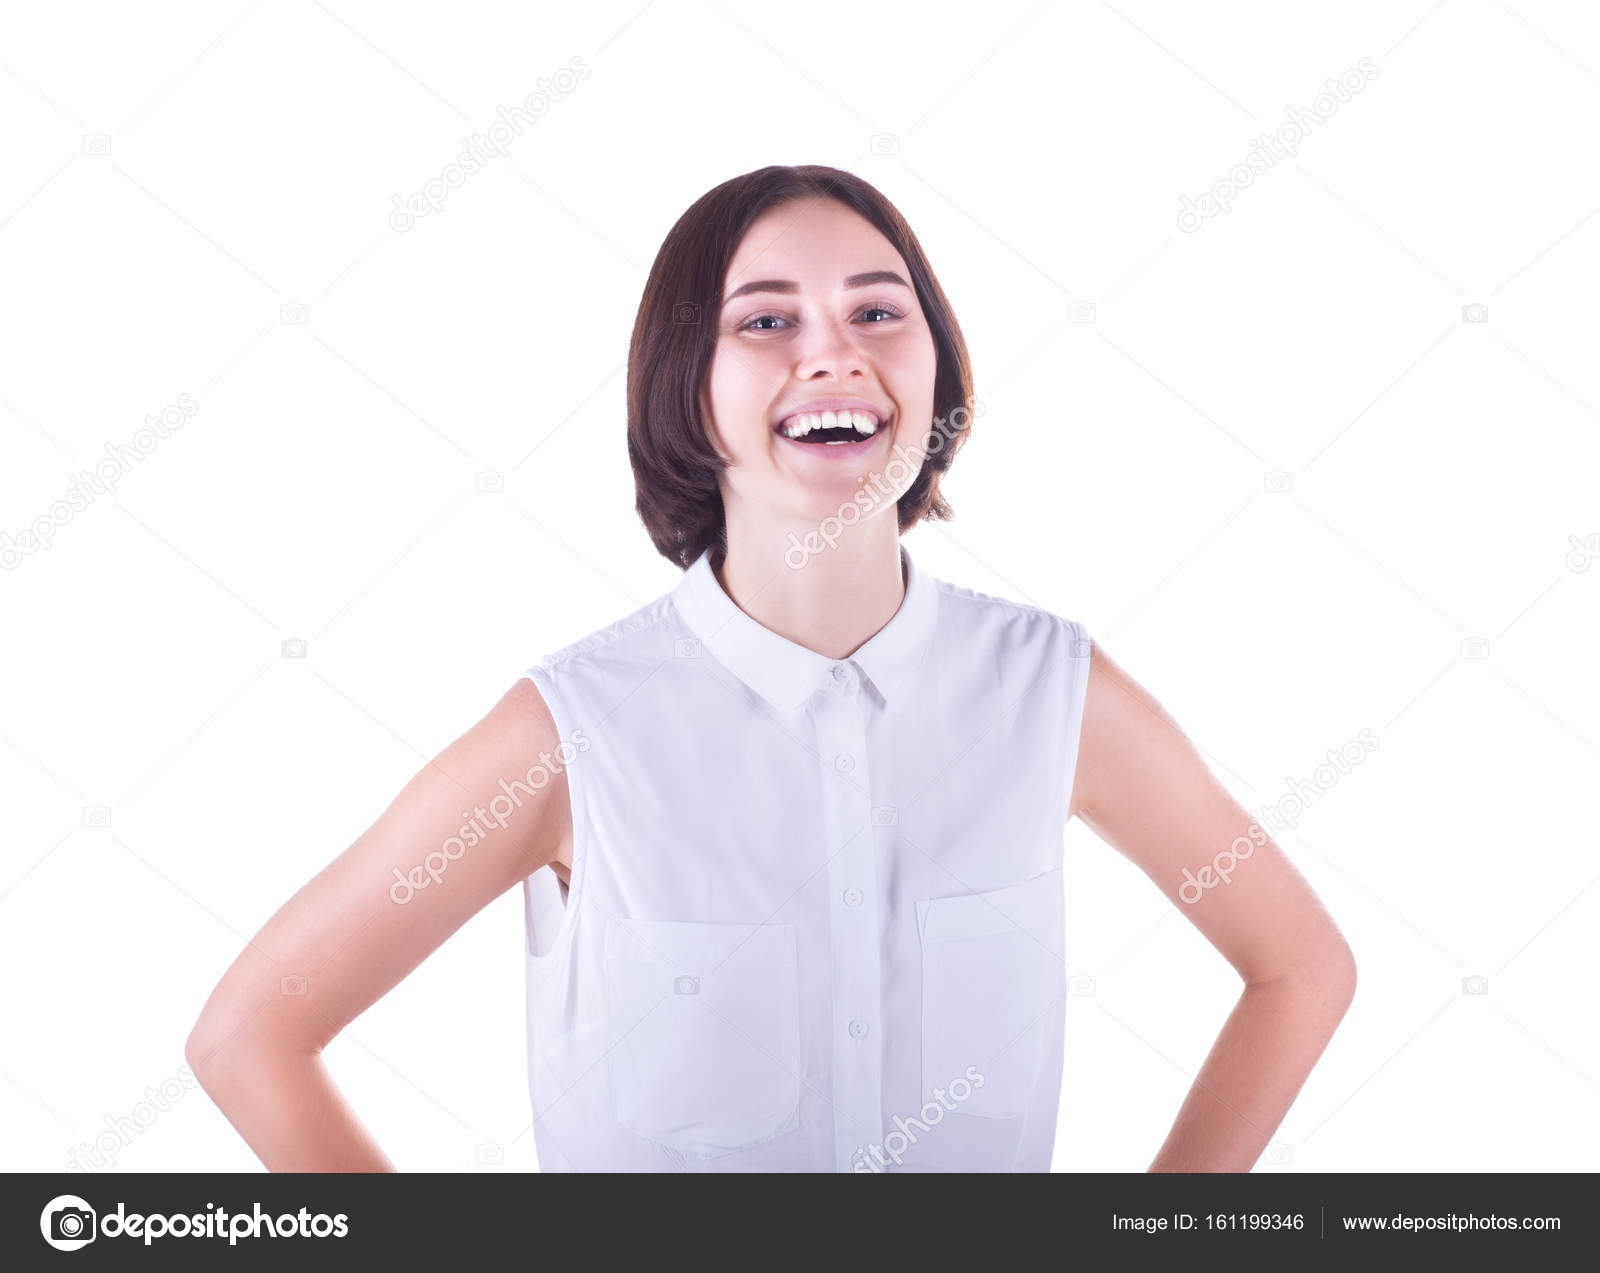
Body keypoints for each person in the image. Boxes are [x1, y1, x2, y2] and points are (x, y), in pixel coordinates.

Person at [187, 164, 1355, 1173]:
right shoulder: (573, 732)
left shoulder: (1052, 693)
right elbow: (249, 1036)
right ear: (686, 387)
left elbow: (1299, 965)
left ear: (938, 371)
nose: (833, 354)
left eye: (877, 313)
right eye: (766, 321)